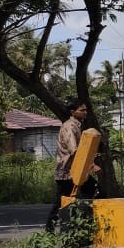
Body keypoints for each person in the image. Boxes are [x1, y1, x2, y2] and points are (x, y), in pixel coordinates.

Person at [46, 98, 89, 231]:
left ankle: (73, 228)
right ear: (72, 112)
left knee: (67, 201)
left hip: (74, 171)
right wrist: (91, 165)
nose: (85, 113)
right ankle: (51, 230)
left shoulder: (77, 126)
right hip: (67, 171)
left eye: (85, 110)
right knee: (62, 202)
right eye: (82, 110)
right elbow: (74, 150)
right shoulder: (70, 127)